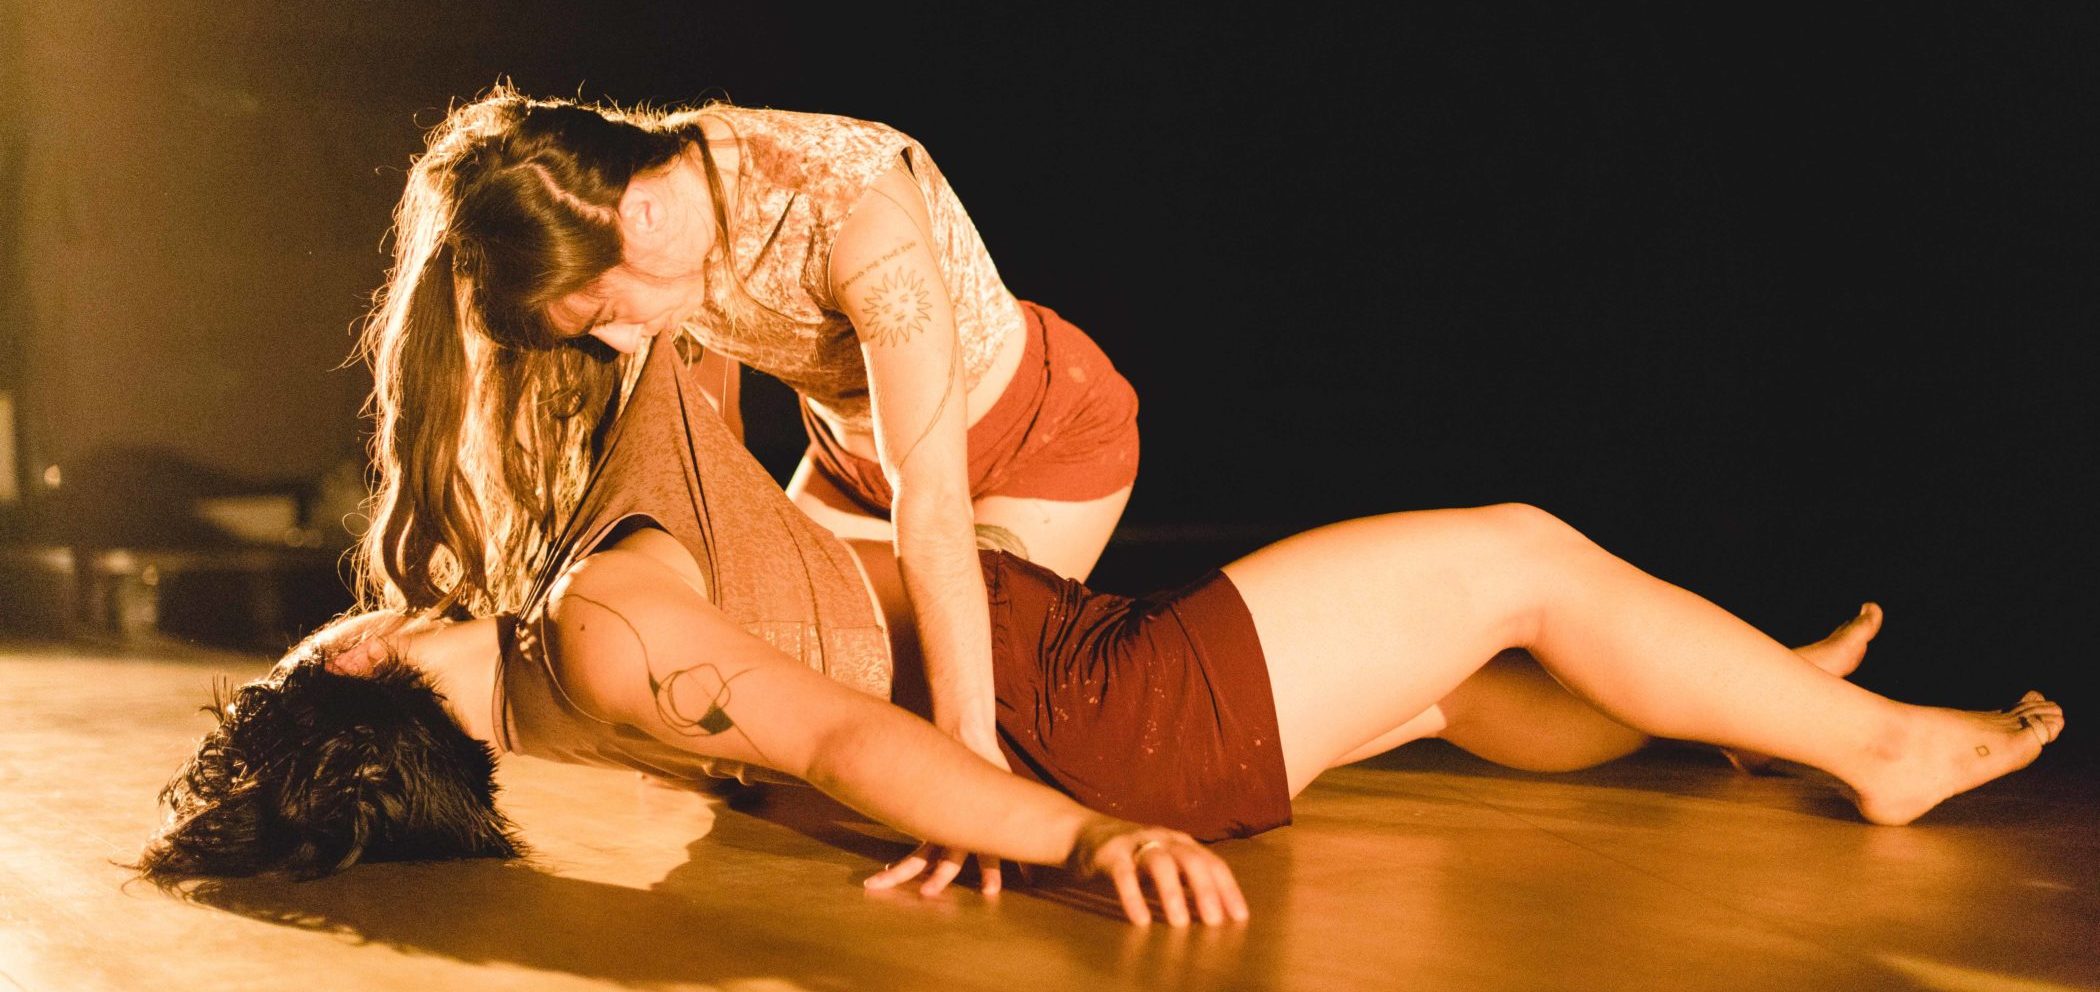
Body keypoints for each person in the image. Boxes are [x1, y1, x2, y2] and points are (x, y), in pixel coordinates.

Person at [139, 341, 2065, 927]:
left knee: (1465, 686)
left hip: (1088, 686)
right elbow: (829, 740)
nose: (369, 602)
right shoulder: (604, 630)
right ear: (382, 667)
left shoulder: (582, 682)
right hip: (1108, 713)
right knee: (1518, 556)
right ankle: (1883, 748)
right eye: (347, 630)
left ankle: (1741, 702)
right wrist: (1075, 832)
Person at [357, 84, 1141, 890]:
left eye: (604, 312)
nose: (618, 340)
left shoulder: (851, 207)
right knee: (776, 686)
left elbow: (933, 503)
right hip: (858, 462)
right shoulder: (655, 208)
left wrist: (971, 757)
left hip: (1044, 445)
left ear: (644, 216)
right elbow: (706, 467)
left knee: (982, 710)